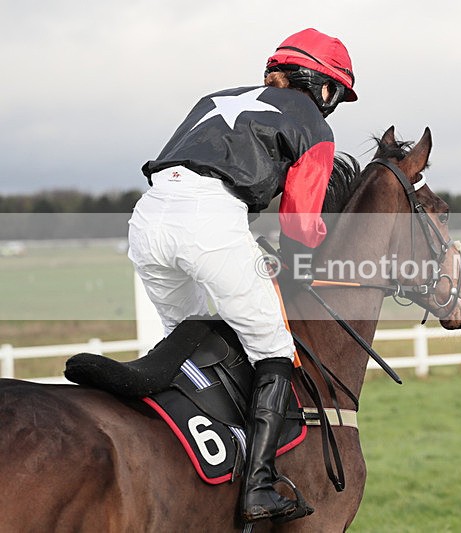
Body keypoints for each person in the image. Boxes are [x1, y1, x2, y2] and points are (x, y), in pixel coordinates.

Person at [127, 28, 357, 522]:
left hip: (147, 219)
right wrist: (300, 260)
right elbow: (299, 223)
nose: (332, 104)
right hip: (210, 224)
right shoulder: (314, 126)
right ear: (322, 87)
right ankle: (259, 487)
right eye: (335, 93)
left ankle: (188, 454)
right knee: (274, 347)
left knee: (189, 340)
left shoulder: (215, 98)